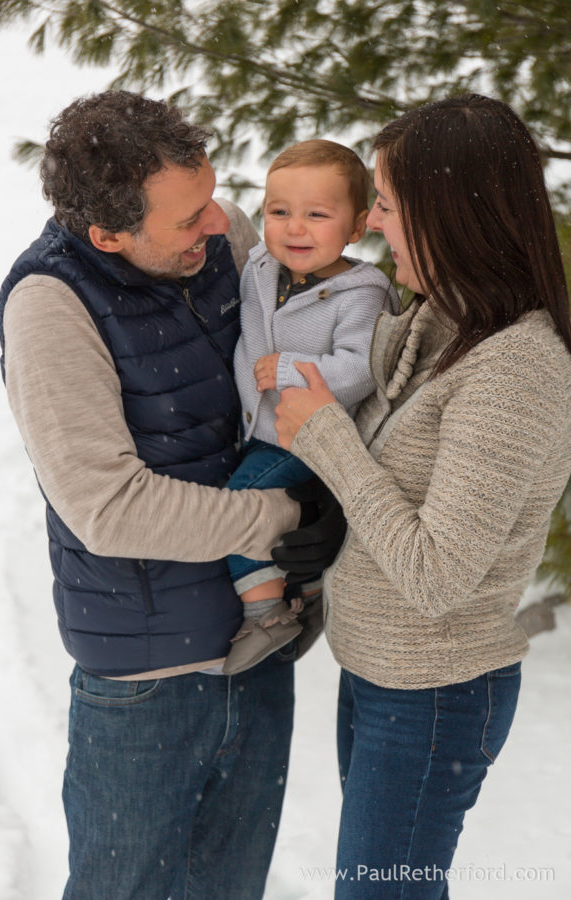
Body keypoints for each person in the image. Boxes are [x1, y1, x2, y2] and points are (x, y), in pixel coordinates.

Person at [0, 89, 339, 900]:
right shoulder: (51, 304)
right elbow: (109, 507)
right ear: (107, 234)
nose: (219, 224)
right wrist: (285, 517)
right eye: (187, 221)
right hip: (147, 685)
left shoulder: (220, 241)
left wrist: (331, 496)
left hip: (261, 645)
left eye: (210, 198)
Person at [272, 93, 571, 898]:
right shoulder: (442, 319)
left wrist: (323, 433)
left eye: (389, 205)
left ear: (450, 217)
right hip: (379, 676)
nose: (370, 221)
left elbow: (438, 574)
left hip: (434, 697)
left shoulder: (516, 370)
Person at [222, 139, 397, 675]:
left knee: (242, 502)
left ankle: (267, 611)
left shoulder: (361, 294)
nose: (294, 228)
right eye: (278, 212)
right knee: (259, 509)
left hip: (306, 435)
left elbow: (360, 369)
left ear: (355, 226)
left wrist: (294, 368)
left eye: (316, 215)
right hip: (258, 428)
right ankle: (307, 588)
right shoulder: (259, 268)